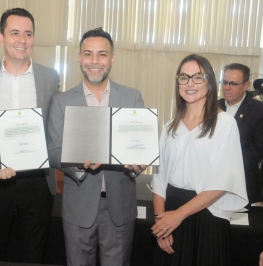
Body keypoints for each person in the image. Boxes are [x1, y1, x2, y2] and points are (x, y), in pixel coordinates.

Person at [48, 27, 145, 266]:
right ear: (79, 58)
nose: (95, 61)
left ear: (112, 58)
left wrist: (137, 165)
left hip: (119, 207)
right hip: (78, 208)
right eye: (88, 54)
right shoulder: (62, 101)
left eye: (102, 54)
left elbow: (140, 148)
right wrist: (77, 164)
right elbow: (53, 152)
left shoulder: (132, 98)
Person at [0, 8, 60, 263]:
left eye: (28, 33)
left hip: (37, 182)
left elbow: (54, 127)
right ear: (1, 38)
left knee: (33, 255)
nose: (22, 40)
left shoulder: (50, 77)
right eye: (15, 33)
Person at [151, 54, 248, 266]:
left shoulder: (224, 124)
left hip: (207, 215)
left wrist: (177, 216)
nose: (190, 83)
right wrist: (162, 225)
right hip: (171, 212)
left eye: (198, 77)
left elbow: (221, 183)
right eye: (184, 77)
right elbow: (159, 179)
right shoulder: (169, 126)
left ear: (210, 82)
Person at [218, 63, 263, 205]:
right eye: (224, 82)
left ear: (246, 85)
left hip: (245, 185)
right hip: (212, 185)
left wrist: (225, 164)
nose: (227, 87)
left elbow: (258, 150)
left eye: (233, 83)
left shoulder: (259, 110)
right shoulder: (213, 107)